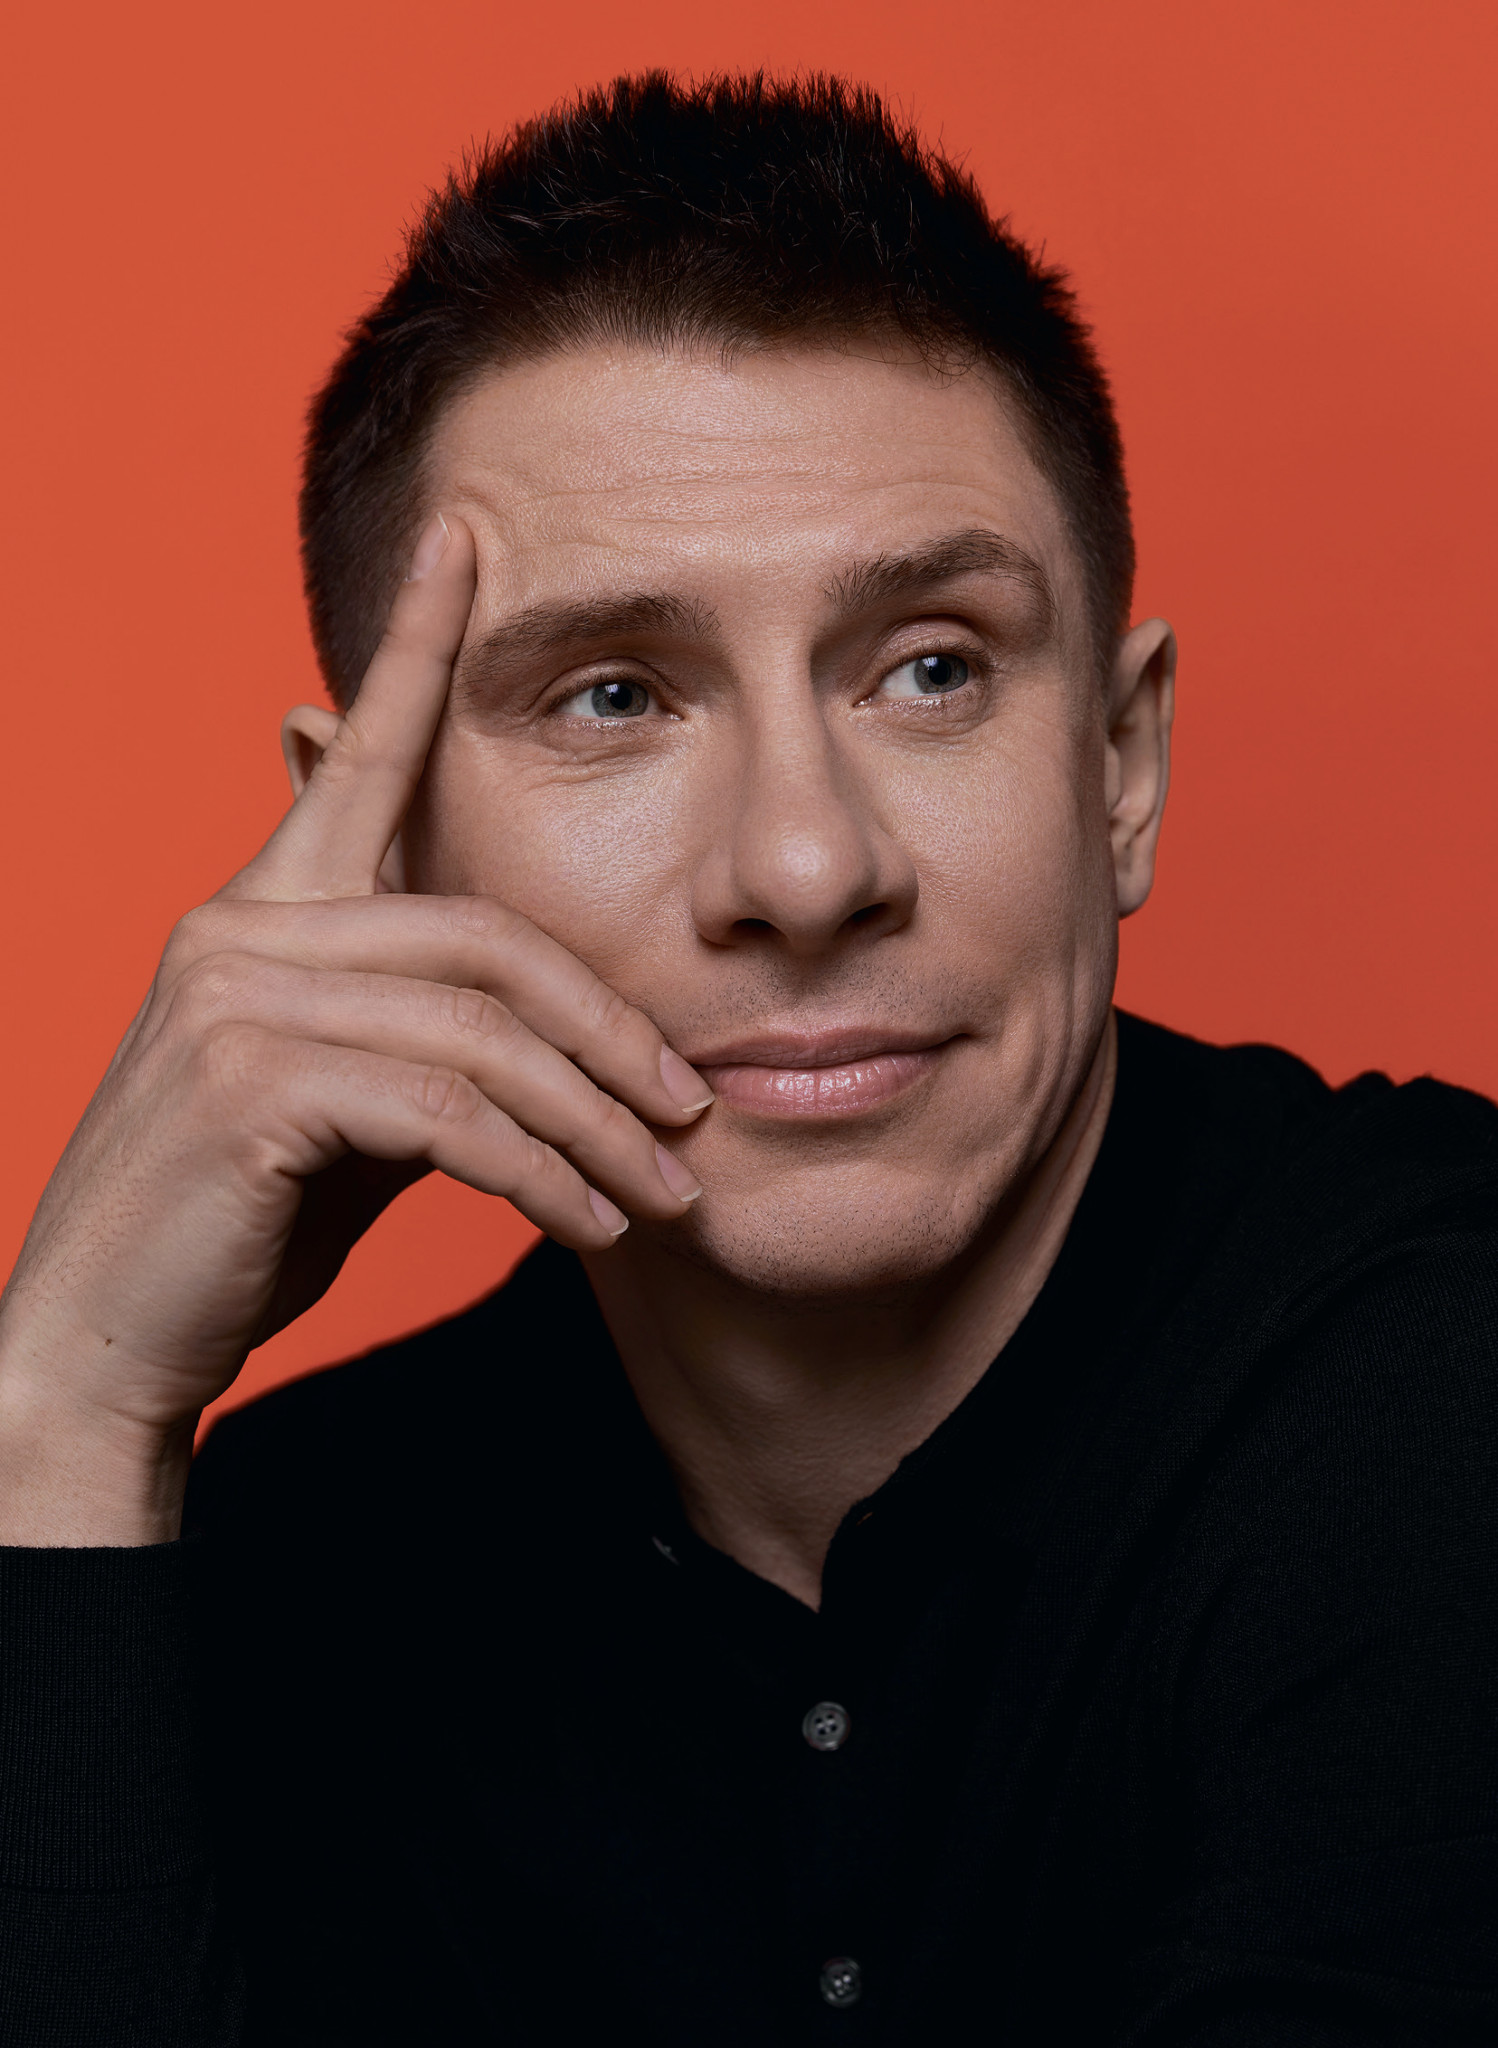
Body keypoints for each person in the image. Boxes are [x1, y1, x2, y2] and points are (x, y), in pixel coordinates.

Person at [0, 70, 1495, 2047]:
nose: (804, 868)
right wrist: (65, 1410)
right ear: (371, 855)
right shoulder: (280, 1558)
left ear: (1119, 768)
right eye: (613, 696)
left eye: (929, 668)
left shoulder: (1439, 1368)